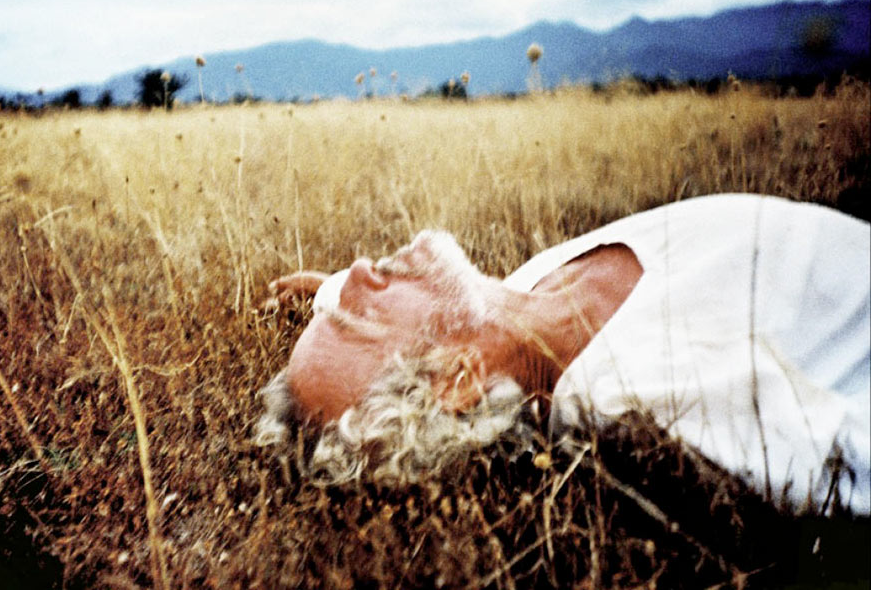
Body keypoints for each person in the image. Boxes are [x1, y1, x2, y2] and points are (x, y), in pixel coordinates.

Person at [254, 194, 870, 514]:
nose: (362, 271)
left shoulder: (513, 307)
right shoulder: (649, 395)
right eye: (358, 317)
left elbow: (357, 308)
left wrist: (329, 294)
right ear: (458, 380)